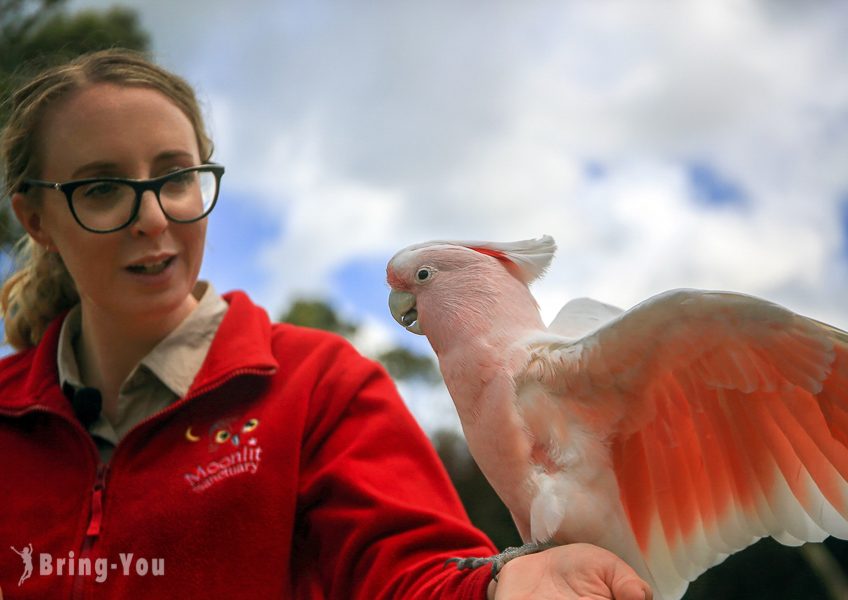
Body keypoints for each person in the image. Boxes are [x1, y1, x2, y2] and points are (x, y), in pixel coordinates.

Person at [0, 49, 651, 599]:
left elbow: (411, 567)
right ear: (33, 218)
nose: (153, 217)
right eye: (102, 188)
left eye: (176, 176)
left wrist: (497, 589)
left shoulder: (321, 385)